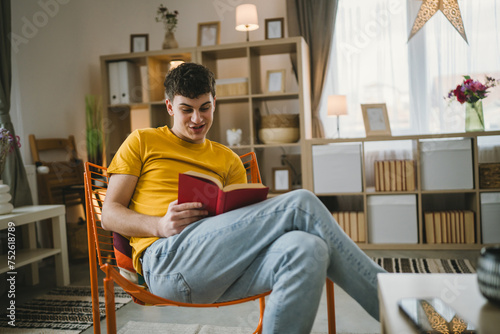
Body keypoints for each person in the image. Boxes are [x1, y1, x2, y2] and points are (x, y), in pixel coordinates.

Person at [102, 62, 387, 333]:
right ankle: (398, 309)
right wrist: (159, 226)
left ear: (215, 103)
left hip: (223, 266)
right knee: (302, 202)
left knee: (308, 248)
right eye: (186, 110)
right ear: (169, 107)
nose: (197, 119)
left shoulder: (228, 160)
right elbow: (109, 214)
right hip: (167, 262)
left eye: (205, 108)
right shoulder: (142, 141)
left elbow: (244, 223)